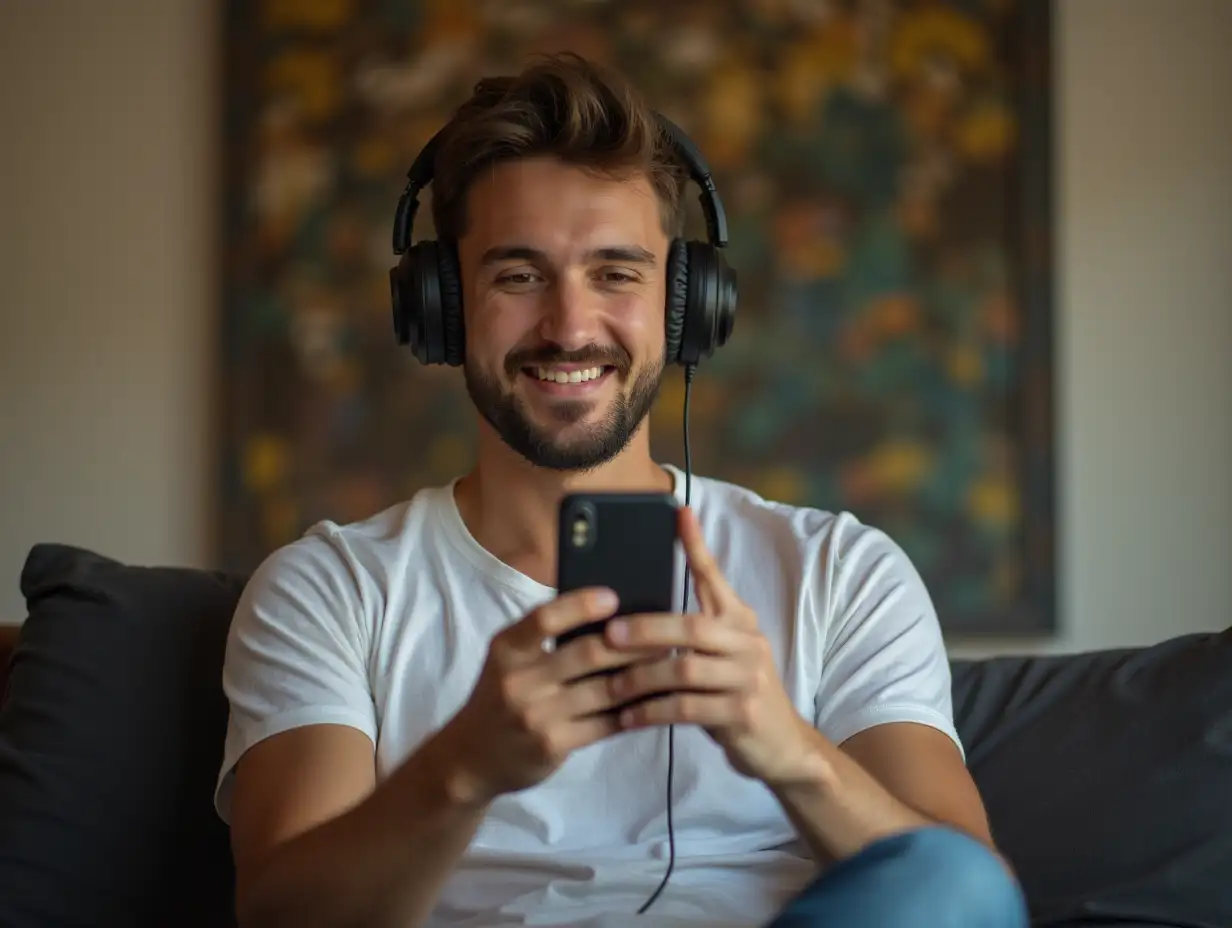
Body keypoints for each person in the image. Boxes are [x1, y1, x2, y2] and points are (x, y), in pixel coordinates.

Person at [214, 52, 1029, 928]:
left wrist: (790, 751)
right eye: (518, 276)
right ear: (444, 305)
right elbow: (282, 917)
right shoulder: (329, 589)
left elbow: (965, 895)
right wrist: (464, 768)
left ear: (683, 302)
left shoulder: (841, 571)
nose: (569, 327)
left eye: (615, 273)